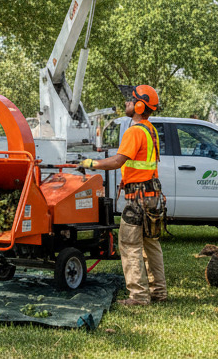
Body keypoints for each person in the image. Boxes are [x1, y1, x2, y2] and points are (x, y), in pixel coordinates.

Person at [81, 84, 167, 307]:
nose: (127, 103)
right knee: (151, 244)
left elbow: (118, 160)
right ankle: (159, 291)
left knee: (129, 245)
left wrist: (92, 163)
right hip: (152, 195)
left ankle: (138, 297)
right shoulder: (150, 129)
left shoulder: (134, 131)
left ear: (139, 106)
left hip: (137, 198)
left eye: (131, 100)